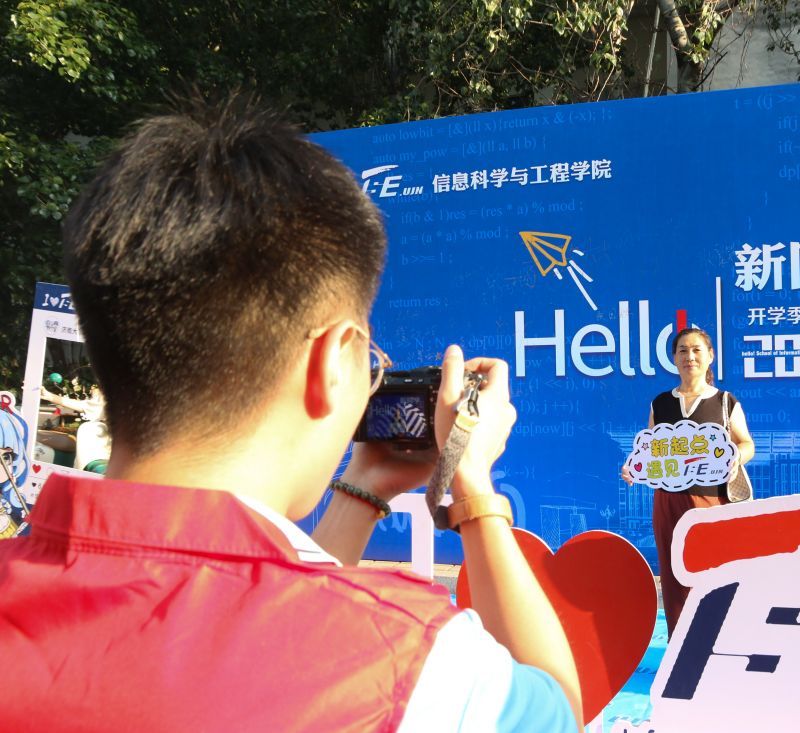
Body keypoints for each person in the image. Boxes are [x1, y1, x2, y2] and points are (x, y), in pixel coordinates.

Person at [0, 96, 582, 732]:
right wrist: (471, 487)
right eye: (370, 361)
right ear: (332, 363)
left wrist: (364, 490)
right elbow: (555, 711)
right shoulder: (409, 667)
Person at [621, 327, 755, 636]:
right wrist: (634, 468)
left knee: (714, 574)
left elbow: (747, 443)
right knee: (673, 577)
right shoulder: (661, 403)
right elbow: (651, 451)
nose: (689, 356)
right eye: (682, 350)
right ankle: (680, 647)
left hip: (711, 501)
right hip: (668, 502)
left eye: (696, 350)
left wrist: (736, 456)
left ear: (710, 357)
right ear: (674, 358)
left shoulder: (724, 402)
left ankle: (718, 645)